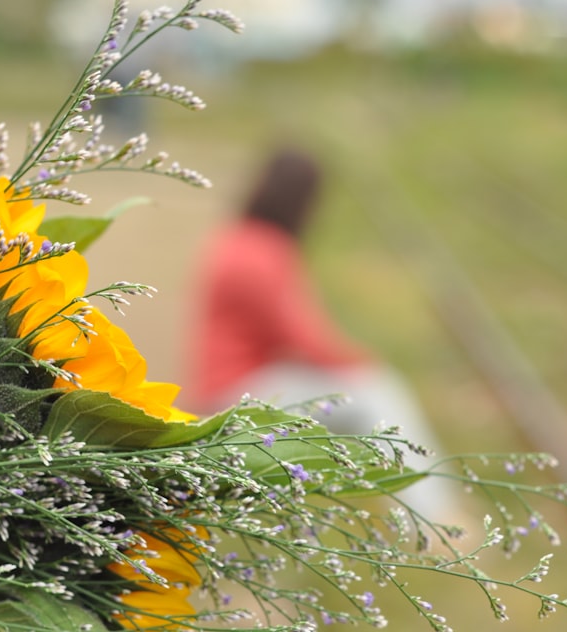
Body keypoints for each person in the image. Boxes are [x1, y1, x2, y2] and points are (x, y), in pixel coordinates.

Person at [184, 149, 461, 520]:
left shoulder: (239, 238)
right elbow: (305, 340)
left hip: (228, 385)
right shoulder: (265, 253)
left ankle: (430, 502)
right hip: (237, 396)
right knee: (379, 390)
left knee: (373, 388)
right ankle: (434, 516)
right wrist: (362, 361)